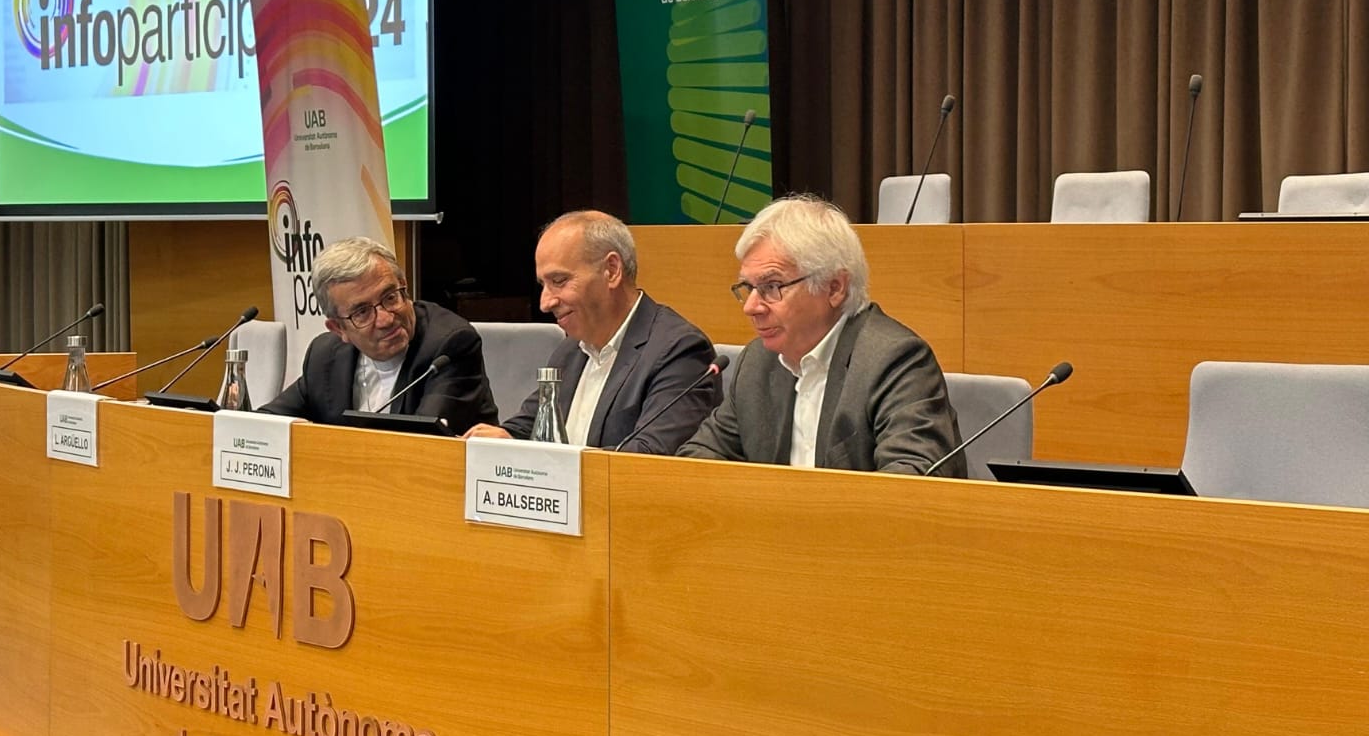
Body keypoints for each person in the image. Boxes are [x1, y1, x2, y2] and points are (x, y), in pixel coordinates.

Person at [679, 194, 965, 475]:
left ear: (834, 288)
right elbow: (698, 460)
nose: (751, 307)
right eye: (748, 288)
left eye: (772, 287)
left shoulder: (894, 361)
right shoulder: (758, 362)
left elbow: (912, 478)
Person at [465, 210, 719, 454]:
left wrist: (553, 461)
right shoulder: (571, 349)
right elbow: (531, 425)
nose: (545, 303)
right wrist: (503, 438)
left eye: (559, 281)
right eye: (543, 285)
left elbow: (649, 457)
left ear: (612, 270)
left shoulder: (679, 351)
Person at [261, 237, 498, 432]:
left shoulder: (450, 346)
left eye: (390, 297)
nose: (386, 319)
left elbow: (423, 443)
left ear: (404, 285)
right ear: (338, 329)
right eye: (362, 312)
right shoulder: (325, 355)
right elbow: (265, 421)